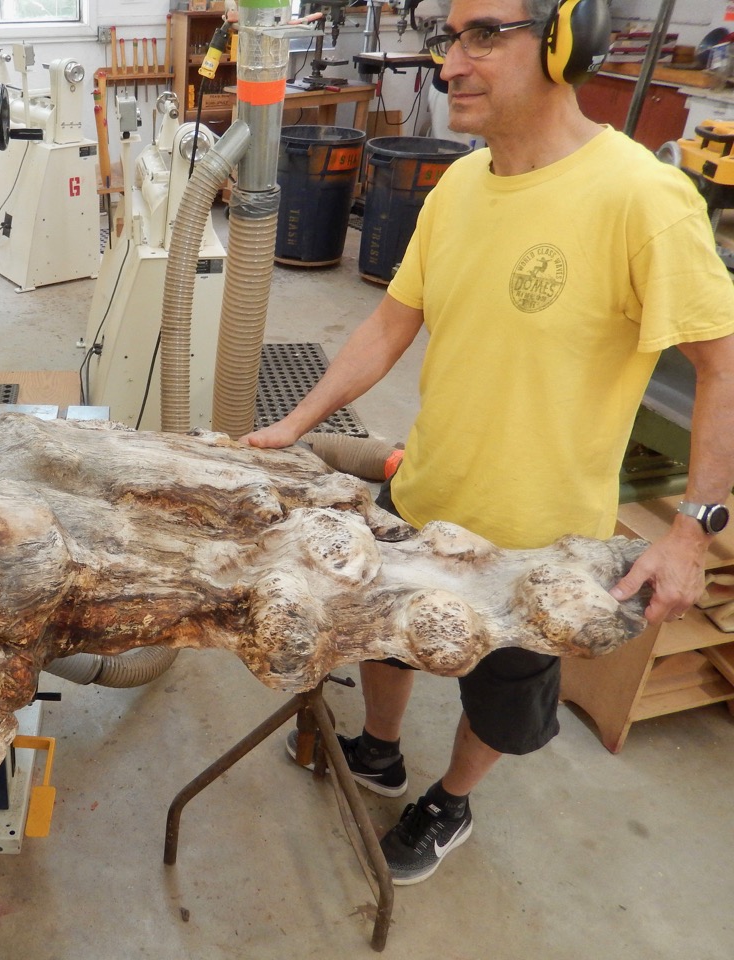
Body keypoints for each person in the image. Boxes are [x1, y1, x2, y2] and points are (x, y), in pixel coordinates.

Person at [244, 0, 734, 886]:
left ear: (563, 40)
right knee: (387, 635)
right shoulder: (462, 185)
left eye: (483, 35)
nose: (449, 64)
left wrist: (691, 531)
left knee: (502, 699)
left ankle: (452, 801)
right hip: (426, 491)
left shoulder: (642, 196)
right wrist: (293, 426)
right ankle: (382, 749)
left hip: (537, 538)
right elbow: (391, 322)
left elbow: (721, 364)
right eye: (447, 38)